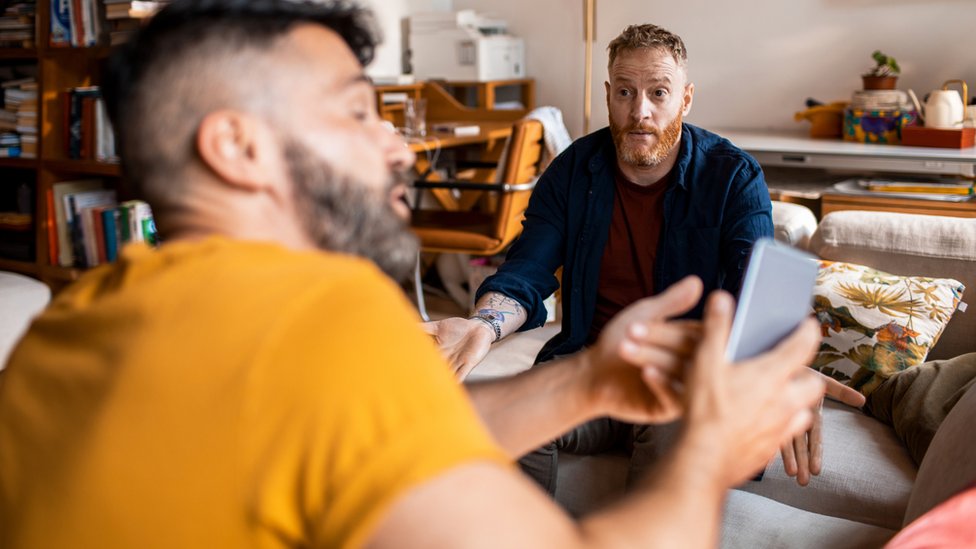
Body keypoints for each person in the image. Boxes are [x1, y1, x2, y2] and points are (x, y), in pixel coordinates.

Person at [0, 2, 826, 547]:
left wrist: (587, 382)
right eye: (359, 112)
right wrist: (710, 445)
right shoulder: (329, 320)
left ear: (684, 97)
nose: (397, 146)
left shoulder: (62, 325)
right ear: (238, 147)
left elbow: (384, 439)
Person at [427, 23, 864, 493]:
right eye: (625, 92)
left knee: (678, 435)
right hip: (590, 365)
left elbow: (751, 294)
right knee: (508, 420)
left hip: (684, 374)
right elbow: (527, 269)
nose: (640, 111)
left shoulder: (733, 177)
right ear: (608, 94)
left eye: (659, 92)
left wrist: (773, 359)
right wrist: (484, 324)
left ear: (686, 98)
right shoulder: (573, 170)